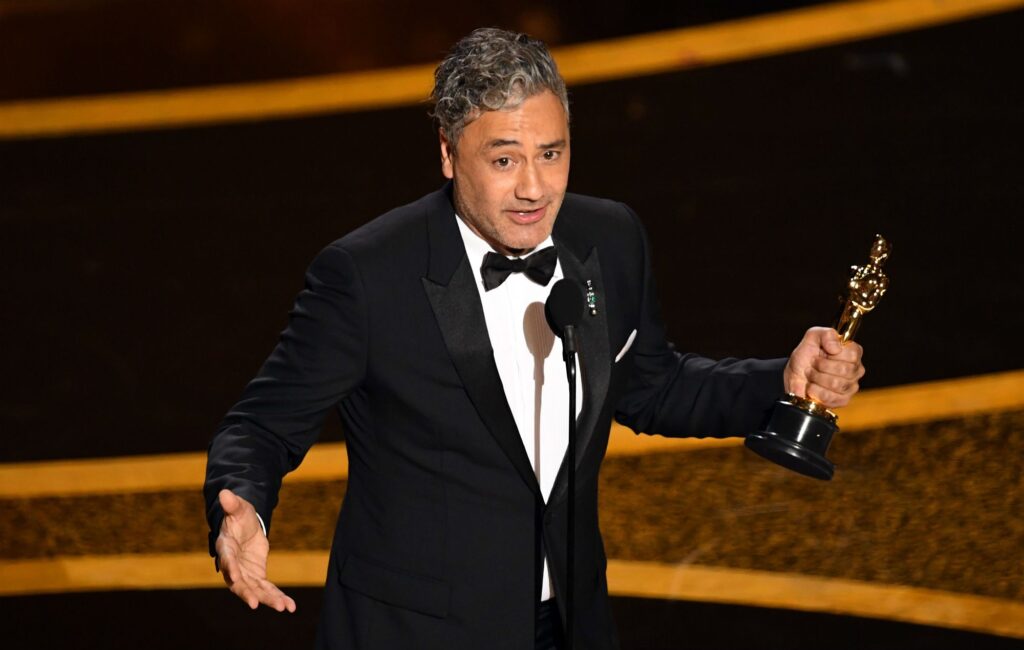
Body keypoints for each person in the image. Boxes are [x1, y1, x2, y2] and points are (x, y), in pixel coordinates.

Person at [204, 27, 865, 650]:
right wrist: (245, 510)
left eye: (551, 154)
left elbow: (652, 385)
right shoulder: (367, 275)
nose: (534, 188)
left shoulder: (609, 238)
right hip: (420, 629)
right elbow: (263, 425)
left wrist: (780, 381)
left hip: (570, 621)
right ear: (448, 153)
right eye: (504, 159)